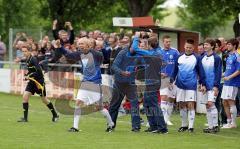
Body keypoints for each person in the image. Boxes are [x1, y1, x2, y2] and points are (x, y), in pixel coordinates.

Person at [55, 37, 114, 132]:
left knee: (99, 108)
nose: (79, 45)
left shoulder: (96, 54)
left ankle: (111, 123)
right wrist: (59, 46)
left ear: (88, 45)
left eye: (82, 43)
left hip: (95, 84)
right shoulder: (80, 54)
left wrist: (101, 46)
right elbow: (68, 54)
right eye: (79, 43)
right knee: (78, 102)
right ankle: (75, 127)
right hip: (84, 83)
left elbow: (104, 57)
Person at [131, 32, 168, 134]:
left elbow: (135, 48)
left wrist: (136, 37)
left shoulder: (151, 54)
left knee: (154, 105)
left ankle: (162, 128)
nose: (144, 47)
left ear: (150, 45)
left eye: (146, 44)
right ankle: (154, 126)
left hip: (152, 82)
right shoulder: (159, 51)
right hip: (153, 81)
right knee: (147, 104)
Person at [170, 39, 206, 133]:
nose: (188, 49)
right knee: (181, 105)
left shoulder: (197, 58)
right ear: (184, 47)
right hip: (180, 84)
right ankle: (184, 125)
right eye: (187, 47)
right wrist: (171, 81)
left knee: (190, 104)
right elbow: (174, 71)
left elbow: (201, 71)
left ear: (193, 48)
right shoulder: (179, 57)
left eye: (190, 47)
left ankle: (191, 127)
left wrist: (203, 84)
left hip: (191, 84)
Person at [17, 45, 59, 122]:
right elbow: (31, 71)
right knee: (25, 97)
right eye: (23, 51)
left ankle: (55, 114)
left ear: (29, 51)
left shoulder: (33, 59)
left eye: (25, 51)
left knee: (44, 100)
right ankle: (25, 118)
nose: (24, 53)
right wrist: (27, 75)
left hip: (39, 82)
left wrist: (29, 75)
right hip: (32, 81)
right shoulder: (28, 59)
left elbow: (39, 72)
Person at [107, 42, 141, 132]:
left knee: (135, 105)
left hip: (131, 83)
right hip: (119, 83)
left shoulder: (139, 54)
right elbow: (114, 66)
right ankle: (111, 125)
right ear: (131, 46)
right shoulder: (122, 53)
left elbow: (143, 65)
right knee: (114, 105)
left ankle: (136, 127)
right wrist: (122, 72)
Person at [201, 38, 222, 133]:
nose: (205, 46)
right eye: (204, 44)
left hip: (213, 86)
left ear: (212, 46)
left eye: (207, 45)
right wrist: (202, 84)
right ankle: (210, 126)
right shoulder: (203, 57)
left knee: (211, 104)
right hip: (205, 86)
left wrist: (216, 86)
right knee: (207, 105)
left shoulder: (217, 58)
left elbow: (218, 73)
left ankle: (215, 126)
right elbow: (201, 73)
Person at [160, 35, 179, 126]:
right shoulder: (159, 52)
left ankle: (167, 119)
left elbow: (179, 65)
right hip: (163, 79)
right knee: (163, 98)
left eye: (169, 42)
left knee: (171, 99)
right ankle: (163, 119)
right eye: (166, 42)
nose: (168, 43)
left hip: (173, 79)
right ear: (163, 42)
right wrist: (160, 73)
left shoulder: (175, 52)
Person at [221, 38, 240, 129]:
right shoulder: (229, 56)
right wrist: (222, 74)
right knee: (224, 101)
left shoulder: (237, 56)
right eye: (227, 44)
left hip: (233, 83)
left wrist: (229, 77)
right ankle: (228, 121)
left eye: (229, 44)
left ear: (234, 46)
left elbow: (239, 70)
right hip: (226, 83)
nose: (227, 46)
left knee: (231, 101)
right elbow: (228, 70)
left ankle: (233, 123)